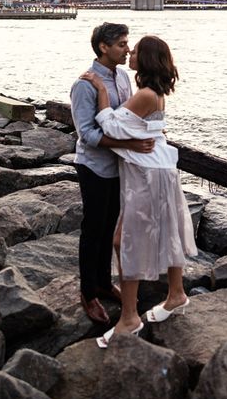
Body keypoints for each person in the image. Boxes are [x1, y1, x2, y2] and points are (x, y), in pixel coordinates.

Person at [80, 34, 197, 348]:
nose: (129, 52)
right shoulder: (150, 92)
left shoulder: (145, 93)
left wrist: (102, 91)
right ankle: (175, 294)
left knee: (125, 240)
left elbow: (111, 126)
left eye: (135, 49)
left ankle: (129, 318)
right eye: (124, 45)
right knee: (162, 231)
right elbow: (141, 127)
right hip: (154, 170)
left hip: (148, 174)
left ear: (145, 60)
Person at [70, 23, 155, 325]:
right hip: (93, 166)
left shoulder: (121, 77)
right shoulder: (84, 85)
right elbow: (87, 134)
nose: (128, 50)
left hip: (119, 166)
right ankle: (87, 292)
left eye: (127, 43)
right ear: (103, 47)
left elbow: (126, 121)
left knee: (109, 227)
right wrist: (130, 143)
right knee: (93, 229)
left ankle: (104, 283)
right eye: (121, 44)